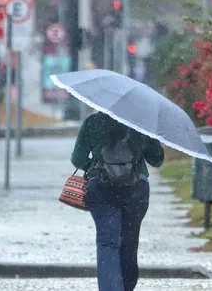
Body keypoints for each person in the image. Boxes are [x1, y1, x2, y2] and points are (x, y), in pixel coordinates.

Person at [71, 111, 164, 291]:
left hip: (101, 188)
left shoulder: (92, 122)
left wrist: (97, 167)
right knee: (129, 242)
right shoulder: (141, 122)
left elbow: (77, 158)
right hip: (136, 188)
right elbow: (157, 160)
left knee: (107, 242)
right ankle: (126, 286)